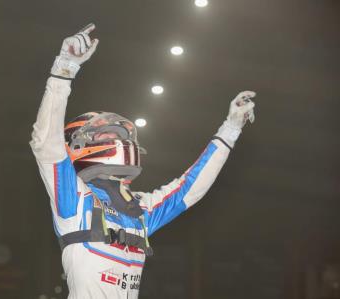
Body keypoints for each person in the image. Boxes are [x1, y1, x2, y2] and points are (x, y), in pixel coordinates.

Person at [30, 23, 256, 299]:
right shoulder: (76, 200)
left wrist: (230, 130)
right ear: (82, 145)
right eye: (107, 134)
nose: (119, 142)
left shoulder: (139, 211)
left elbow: (189, 190)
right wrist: (64, 70)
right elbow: (46, 145)